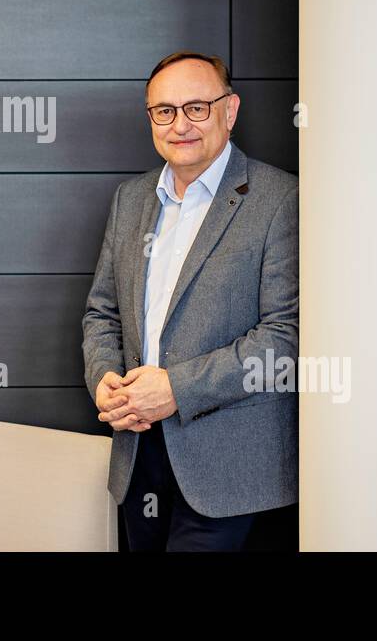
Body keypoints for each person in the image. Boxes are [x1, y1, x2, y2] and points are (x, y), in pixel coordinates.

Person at [81, 50, 299, 551]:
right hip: (138, 454)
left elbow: (284, 338)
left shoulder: (280, 198)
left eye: (197, 107)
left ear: (230, 110)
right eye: (165, 111)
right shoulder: (131, 200)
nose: (180, 124)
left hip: (230, 467)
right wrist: (105, 381)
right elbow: (103, 313)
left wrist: (176, 388)